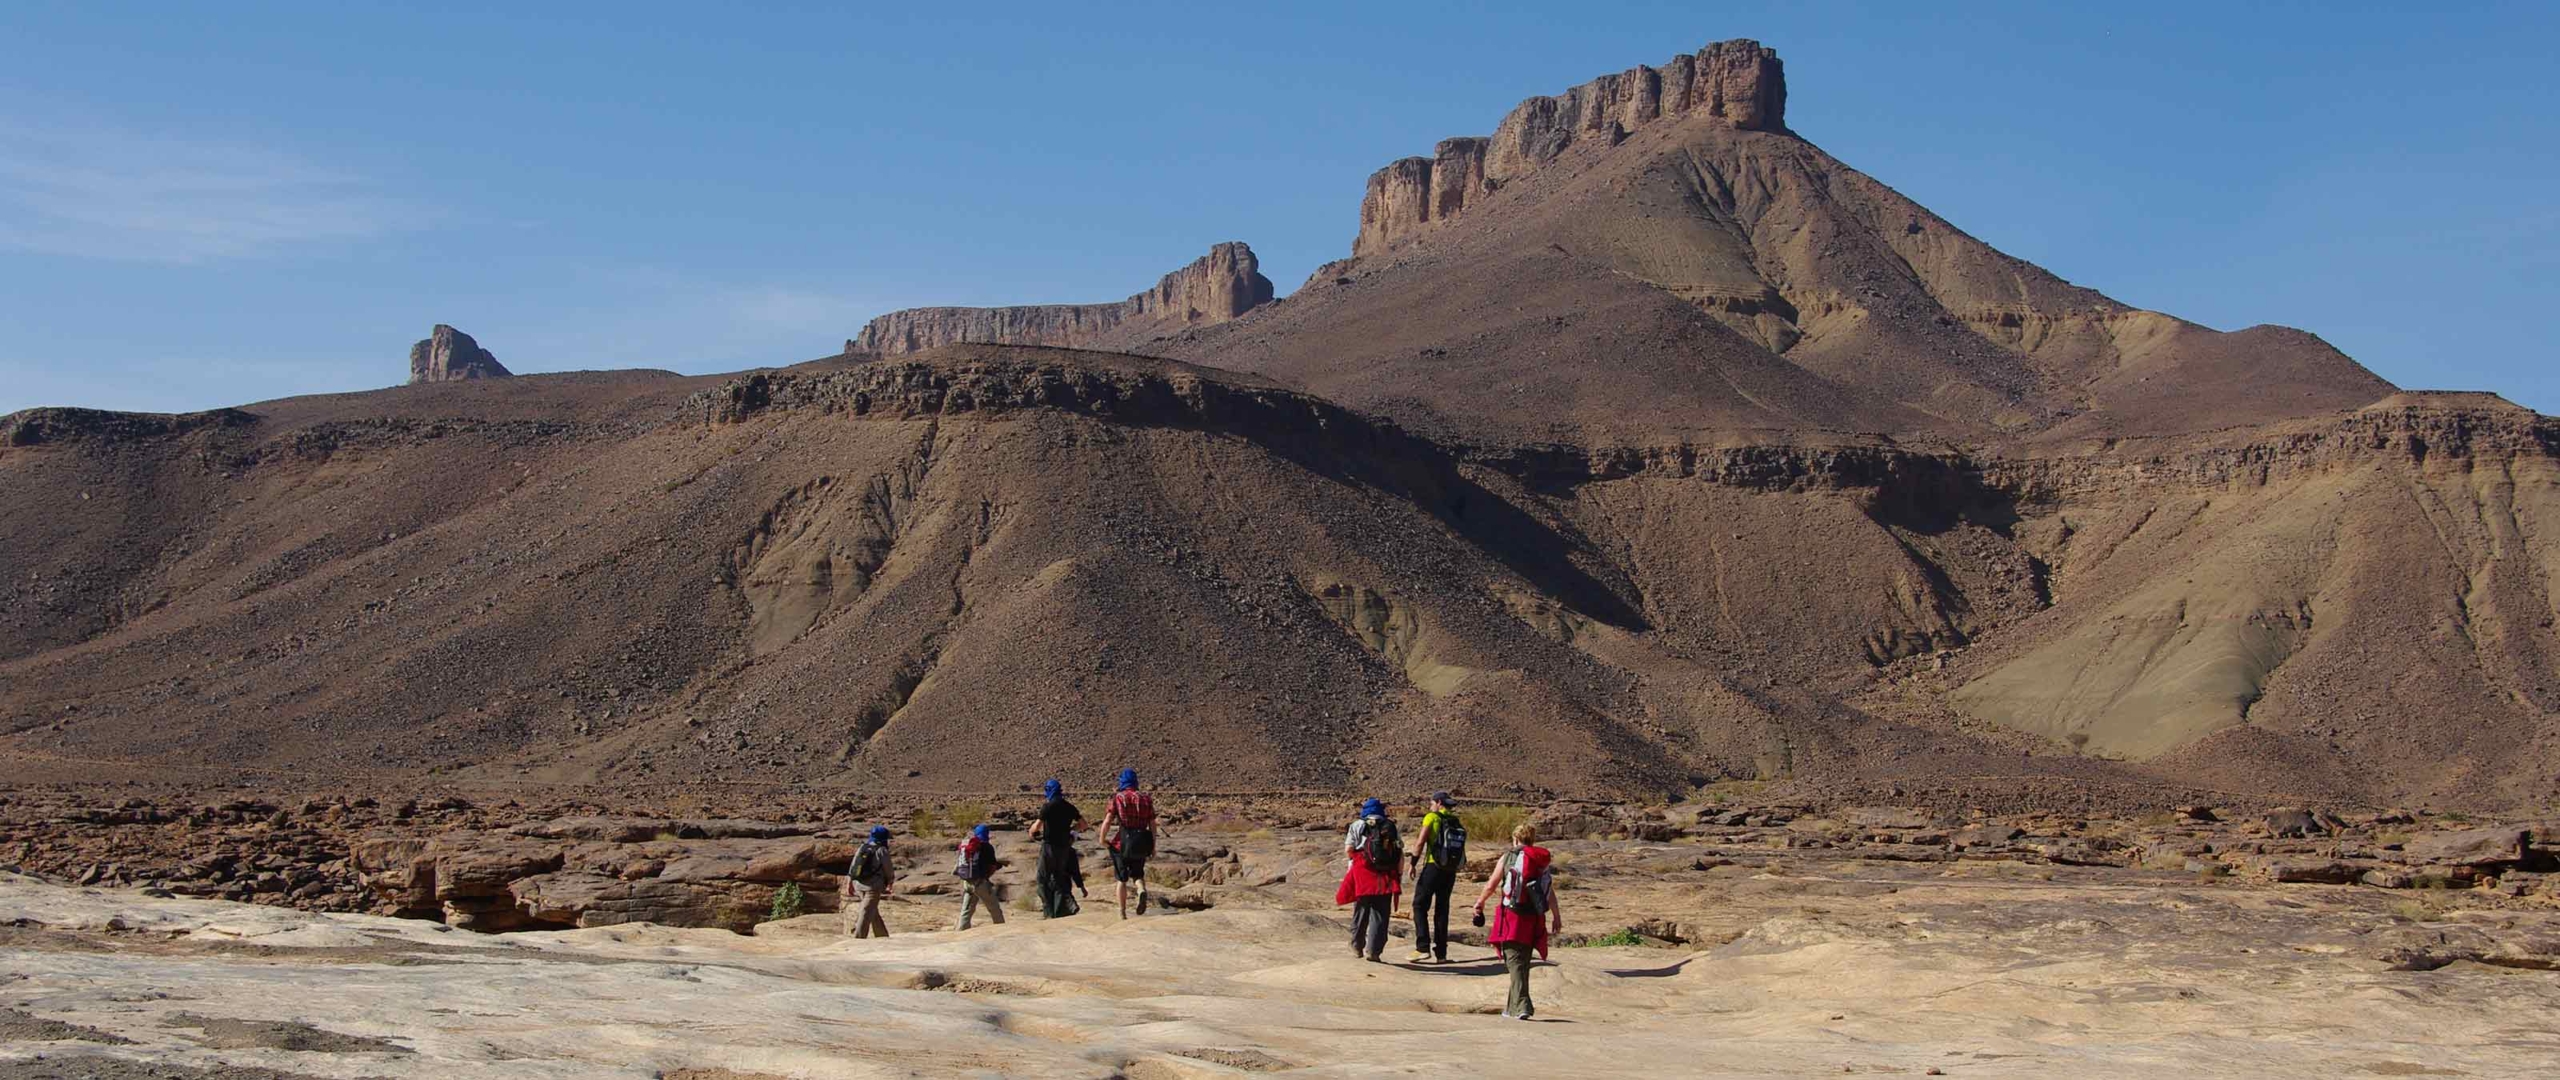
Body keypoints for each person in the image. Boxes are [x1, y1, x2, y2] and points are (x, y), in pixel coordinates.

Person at [1471, 822, 1560, 1019]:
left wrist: (1479, 903)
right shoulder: (1540, 860)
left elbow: (1492, 884)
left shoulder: (1509, 856)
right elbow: (1549, 890)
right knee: (1523, 962)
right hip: (1534, 916)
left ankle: (1523, 1006)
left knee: (1513, 961)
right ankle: (1511, 1008)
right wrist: (1556, 915)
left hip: (1512, 915)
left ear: (1516, 838)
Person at [1332, 798, 1403, 962]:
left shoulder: (1357, 825)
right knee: (1381, 914)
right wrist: (1398, 876)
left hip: (1362, 874)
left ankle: (1357, 946)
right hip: (1385, 875)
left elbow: (1348, 850)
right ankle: (1374, 951)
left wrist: (1359, 858)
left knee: (1361, 912)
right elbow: (1399, 853)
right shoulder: (1389, 826)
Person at [1405, 792, 1465, 963]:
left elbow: (1420, 842)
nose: (1430, 806)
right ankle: (1441, 954)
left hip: (1433, 866)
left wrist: (1413, 863)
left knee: (1419, 905)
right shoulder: (1455, 821)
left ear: (1439, 803)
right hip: (1450, 870)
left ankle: (1422, 947)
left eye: (1431, 803)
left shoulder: (1432, 817)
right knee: (1442, 909)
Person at [1100, 767, 1159, 919]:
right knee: (1138, 874)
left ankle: (1122, 912)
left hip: (1122, 843)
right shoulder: (1146, 798)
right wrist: (1152, 845)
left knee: (1122, 878)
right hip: (1141, 842)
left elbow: (1107, 821)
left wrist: (1102, 838)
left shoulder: (1118, 798)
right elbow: (1153, 824)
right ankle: (1141, 890)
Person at [1028, 779, 1084, 918]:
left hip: (1049, 847)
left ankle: (1048, 911)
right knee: (1058, 878)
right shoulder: (1069, 807)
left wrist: (1032, 833)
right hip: (1064, 847)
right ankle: (1060, 910)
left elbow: (1035, 828)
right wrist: (1071, 830)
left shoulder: (1048, 807)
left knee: (1042, 879)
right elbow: (1083, 824)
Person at [846, 824, 895, 939]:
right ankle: (859, 938)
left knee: (871, 910)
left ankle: (882, 936)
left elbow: (853, 866)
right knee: (866, 911)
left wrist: (849, 883)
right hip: (873, 887)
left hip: (859, 884)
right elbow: (888, 868)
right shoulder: (881, 850)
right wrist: (890, 882)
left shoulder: (863, 847)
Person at [955, 823, 1006, 930]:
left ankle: (961, 930)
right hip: (980, 883)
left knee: (967, 910)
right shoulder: (987, 847)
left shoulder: (968, 846)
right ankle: (1002, 930)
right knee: (994, 908)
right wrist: (986, 877)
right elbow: (992, 866)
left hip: (967, 882)